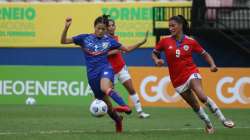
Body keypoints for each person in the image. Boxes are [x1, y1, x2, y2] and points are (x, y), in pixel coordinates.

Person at [61, 15, 147, 133]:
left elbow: (126, 49)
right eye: (98, 28)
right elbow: (63, 41)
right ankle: (118, 120)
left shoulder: (110, 41)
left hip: (106, 69)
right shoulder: (84, 38)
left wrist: (140, 43)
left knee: (105, 87)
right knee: (109, 109)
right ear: (94, 27)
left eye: (103, 29)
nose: (100, 31)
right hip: (92, 75)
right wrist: (66, 27)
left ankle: (125, 106)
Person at [152, 15, 235, 134]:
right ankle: (208, 124)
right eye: (169, 26)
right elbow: (154, 53)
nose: (170, 28)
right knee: (195, 105)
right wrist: (156, 60)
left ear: (180, 25)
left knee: (201, 96)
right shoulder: (165, 41)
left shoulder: (191, 42)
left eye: (173, 25)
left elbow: (205, 54)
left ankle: (223, 119)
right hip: (177, 80)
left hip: (191, 72)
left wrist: (212, 65)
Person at [107, 18, 150, 118]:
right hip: (110, 71)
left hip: (121, 68)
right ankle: (119, 108)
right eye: (109, 25)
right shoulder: (104, 39)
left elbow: (126, 49)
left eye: (113, 25)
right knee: (109, 91)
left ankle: (140, 112)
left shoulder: (115, 38)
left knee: (131, 89)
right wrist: (117, 51)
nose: (111, 27)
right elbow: (103, 54)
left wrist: (140, 43)